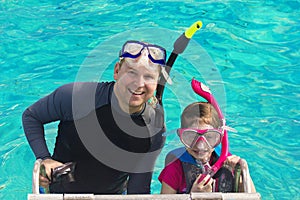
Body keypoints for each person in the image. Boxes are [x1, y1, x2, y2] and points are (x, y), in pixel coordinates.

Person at [22, 40, 172, 194]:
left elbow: (138, 189)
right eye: (131, 72)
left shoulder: (154, 128)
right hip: (60, 193)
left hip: (111, 196)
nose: (139, 84)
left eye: (148, 77)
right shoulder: (77, 97)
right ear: (117, 71)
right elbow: (31, 116)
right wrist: (44, 158)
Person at [158, 82, 256, 194]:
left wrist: (243, 175)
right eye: (192, 137)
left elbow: (253, 197)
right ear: (181, 136)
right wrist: (193, 196)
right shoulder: (175, 168)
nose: (200, 145)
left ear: (219, 137)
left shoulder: (228, 162)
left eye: (209, 137)